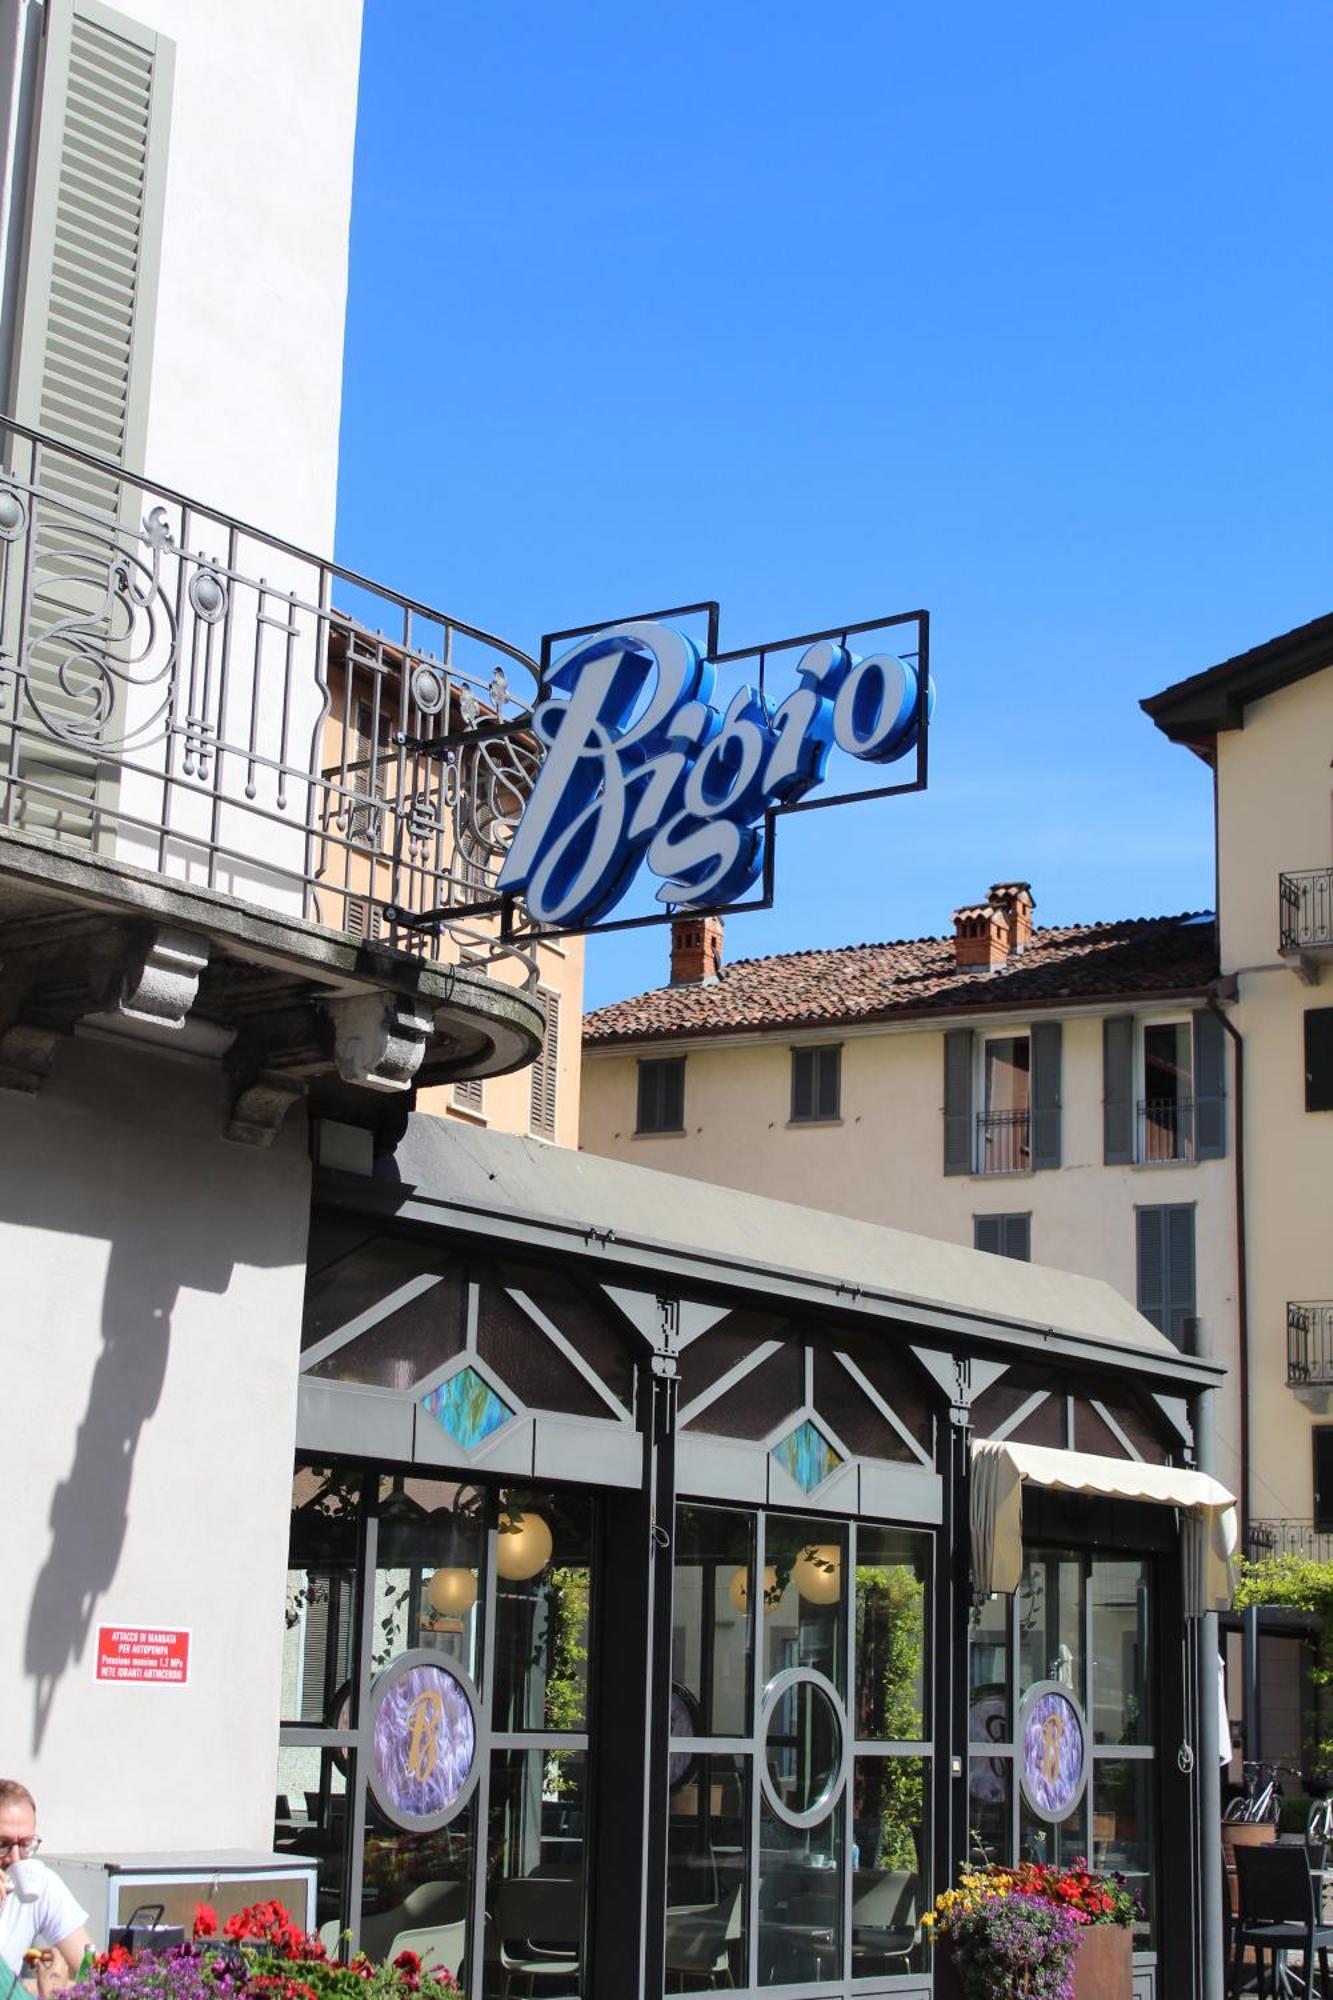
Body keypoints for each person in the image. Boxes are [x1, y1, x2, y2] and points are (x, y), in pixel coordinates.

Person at [0, 1782, 92, 1996]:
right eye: (2, 1844)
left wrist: (56, 1987)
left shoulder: (38, 1882)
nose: (15, 1859)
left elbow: (95, 1972)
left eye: (25, 1844)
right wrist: (32, 1988)